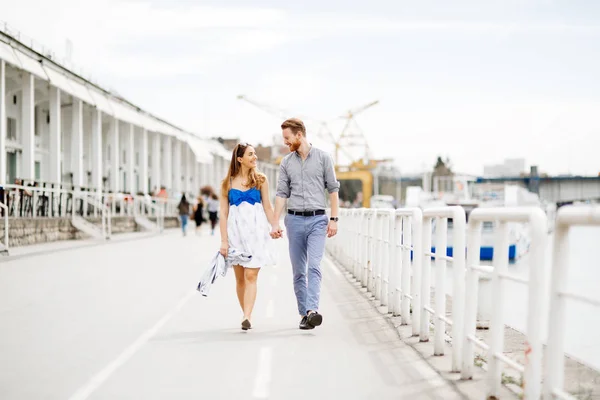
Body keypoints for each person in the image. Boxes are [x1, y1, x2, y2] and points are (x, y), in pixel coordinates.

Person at [271, 118, 340, 330]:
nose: (285, 142)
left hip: (318, 220)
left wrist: (334, 219)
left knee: (315, 266)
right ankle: (304, 314)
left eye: (287, 138)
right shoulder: (286, 163)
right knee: (298, 271)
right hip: (294, 220)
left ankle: (312, 310)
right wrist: (275, 223)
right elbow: (282, 195)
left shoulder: (323, 158)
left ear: (299, 135)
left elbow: (333, 189)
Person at [220, 142, 277, 330]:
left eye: (255, 154)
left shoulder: (261, 180)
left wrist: (274, 225)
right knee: (240, 278)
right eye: (250, 154)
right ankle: (245, 311)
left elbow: (268, 207)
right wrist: (224, 242)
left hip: (256, 233)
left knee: (251, 274)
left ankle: (247, 316)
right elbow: (223, 214)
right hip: (235, 234)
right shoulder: (227, 183)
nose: (255, 157)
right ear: (240, 159)